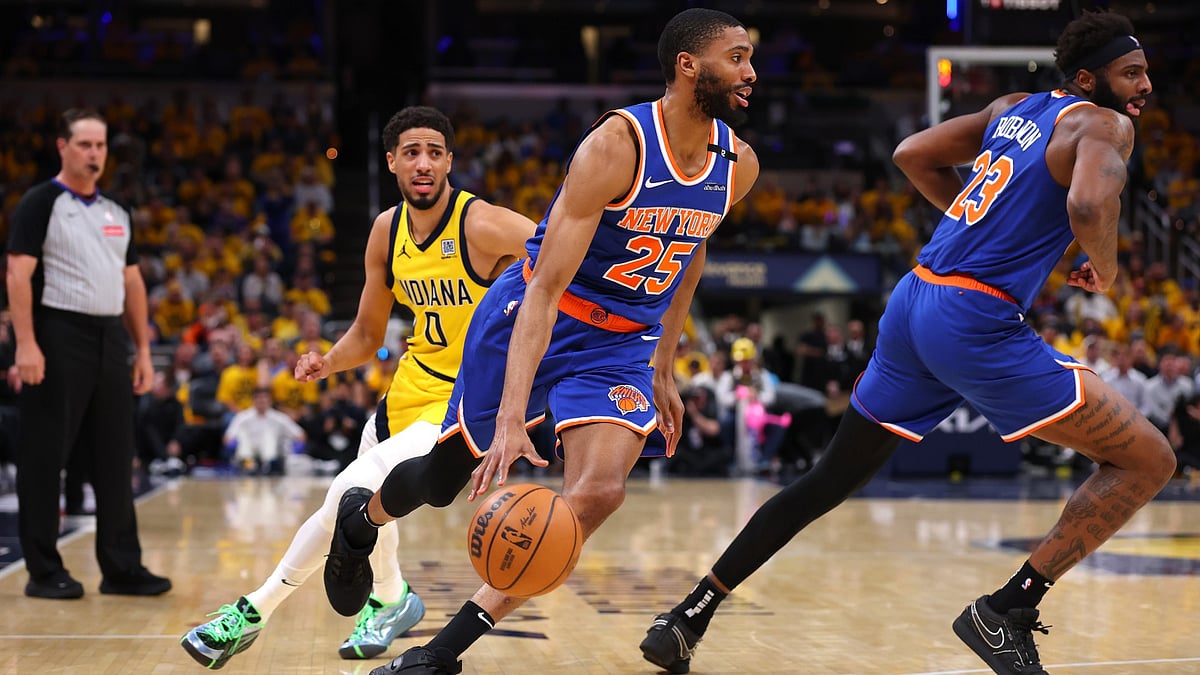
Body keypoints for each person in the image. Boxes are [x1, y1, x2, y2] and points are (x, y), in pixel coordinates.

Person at [639, 11, 1174, 675]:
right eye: (1131, 72)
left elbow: (913, 154)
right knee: (1150, 460)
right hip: (975, 318)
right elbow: (1090, 208)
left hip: (915, 297)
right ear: (1090, 79)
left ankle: (688, 615)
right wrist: (1108, 265)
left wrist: (973, 225)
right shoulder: (1105, 123)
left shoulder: (1014, 107)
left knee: (830, 477)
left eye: (1147, 70)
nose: (1145, 84)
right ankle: (1006, 609)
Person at [322, 8, 759, 674]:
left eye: (750, 57)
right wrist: (508, 417)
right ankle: (361, 521)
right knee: (445, 478)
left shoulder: (737, 164)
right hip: (535, 314)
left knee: (599, 492)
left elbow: (692, 247)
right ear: (687, 66)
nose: (751, 71)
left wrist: (664, 364)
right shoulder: (617, 147)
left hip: (620, 344)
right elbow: (545, 290)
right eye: (737, 56)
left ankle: (441, 654)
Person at [180, 106, 537, 668]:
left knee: (345, 496)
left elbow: (563, 261)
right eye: (412, 152)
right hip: (403, 394)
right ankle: (394, 601)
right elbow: (369, 333)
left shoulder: (484, 224)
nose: (424, 163)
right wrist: (327, 360)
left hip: (459, 403)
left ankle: (252, 612)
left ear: (449, 162)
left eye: (435, 152)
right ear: (392, 161)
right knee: (370, 509)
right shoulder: (385, 230)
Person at [6, 108, 172, 599]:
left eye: (100, 146)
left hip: (110, 338)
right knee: (45, 455)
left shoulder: (116, 211)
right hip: (58, 333)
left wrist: (142, 350)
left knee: (116, 456)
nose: (95, 154)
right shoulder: (41, 202)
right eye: (85, 145)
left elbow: (132, 282)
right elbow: (17, 273)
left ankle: (122, 567)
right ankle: (43, 569)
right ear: (63, 146)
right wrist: (26, 342)